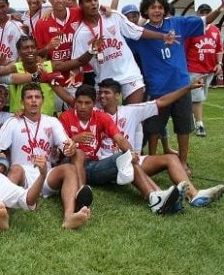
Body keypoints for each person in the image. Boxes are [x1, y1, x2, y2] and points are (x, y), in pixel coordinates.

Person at [97, 78, 224, 208]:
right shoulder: (94, 113)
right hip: (107, 164)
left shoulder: (131, 111)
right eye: (100, 92)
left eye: (106, 92)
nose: (102, 96)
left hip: (133, 160)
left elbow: (161, 102)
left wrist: (188, 88)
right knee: (128, 161)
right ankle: (160, 198)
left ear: (118, 95)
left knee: (171, 158)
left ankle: (194, 195)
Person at [133, 0, 224, 173]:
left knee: (183, 126)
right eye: (152, 7)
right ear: (146, 10)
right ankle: (152, 161)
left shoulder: (177, 24)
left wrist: (220, 9)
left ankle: (182, 162)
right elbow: (123, 34)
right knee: (154, 128)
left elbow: (203, 21)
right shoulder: (140, 34)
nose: (157, 10)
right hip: (157, 89)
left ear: (165, 9)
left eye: (160, 7)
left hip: (182, 87)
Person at [59, 85, 182, 214]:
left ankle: (155, 197)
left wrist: (131, 153)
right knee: (78, 153)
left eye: (87, 103)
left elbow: (119, 138)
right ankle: (80, 195)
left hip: (93, 167)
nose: (82, 107)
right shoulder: (65, 117)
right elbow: (57, 146)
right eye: (79, 102)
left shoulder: (101, 117)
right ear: (75, 102)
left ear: (94, 103)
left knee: (126, 157)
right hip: (71, 166)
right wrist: (74, 139)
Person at [0, 83, 92, 229]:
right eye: (29, 97)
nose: (33, 101)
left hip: (46, 174)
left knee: (69, 169)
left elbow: (65, 145)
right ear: (22, 102)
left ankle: (69, 216)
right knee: (15, 169)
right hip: (23, 176)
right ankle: (3, 214)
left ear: (42, 101)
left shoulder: (52, 122)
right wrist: (0, 153)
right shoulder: (13, 122)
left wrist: (70, 147)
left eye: (37, 97)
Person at [185, 4, 223, 137]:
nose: (205, 14)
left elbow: (219, 49)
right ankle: (199, 124)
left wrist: (219, 63)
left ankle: (189, 118)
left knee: (198, 97)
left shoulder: (215, 30)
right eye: (202, 12)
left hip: (210, 69)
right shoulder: (192, 30)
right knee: (197, 99)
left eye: (207, 12)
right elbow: (185, 50)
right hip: (194, 68)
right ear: (197, 13)